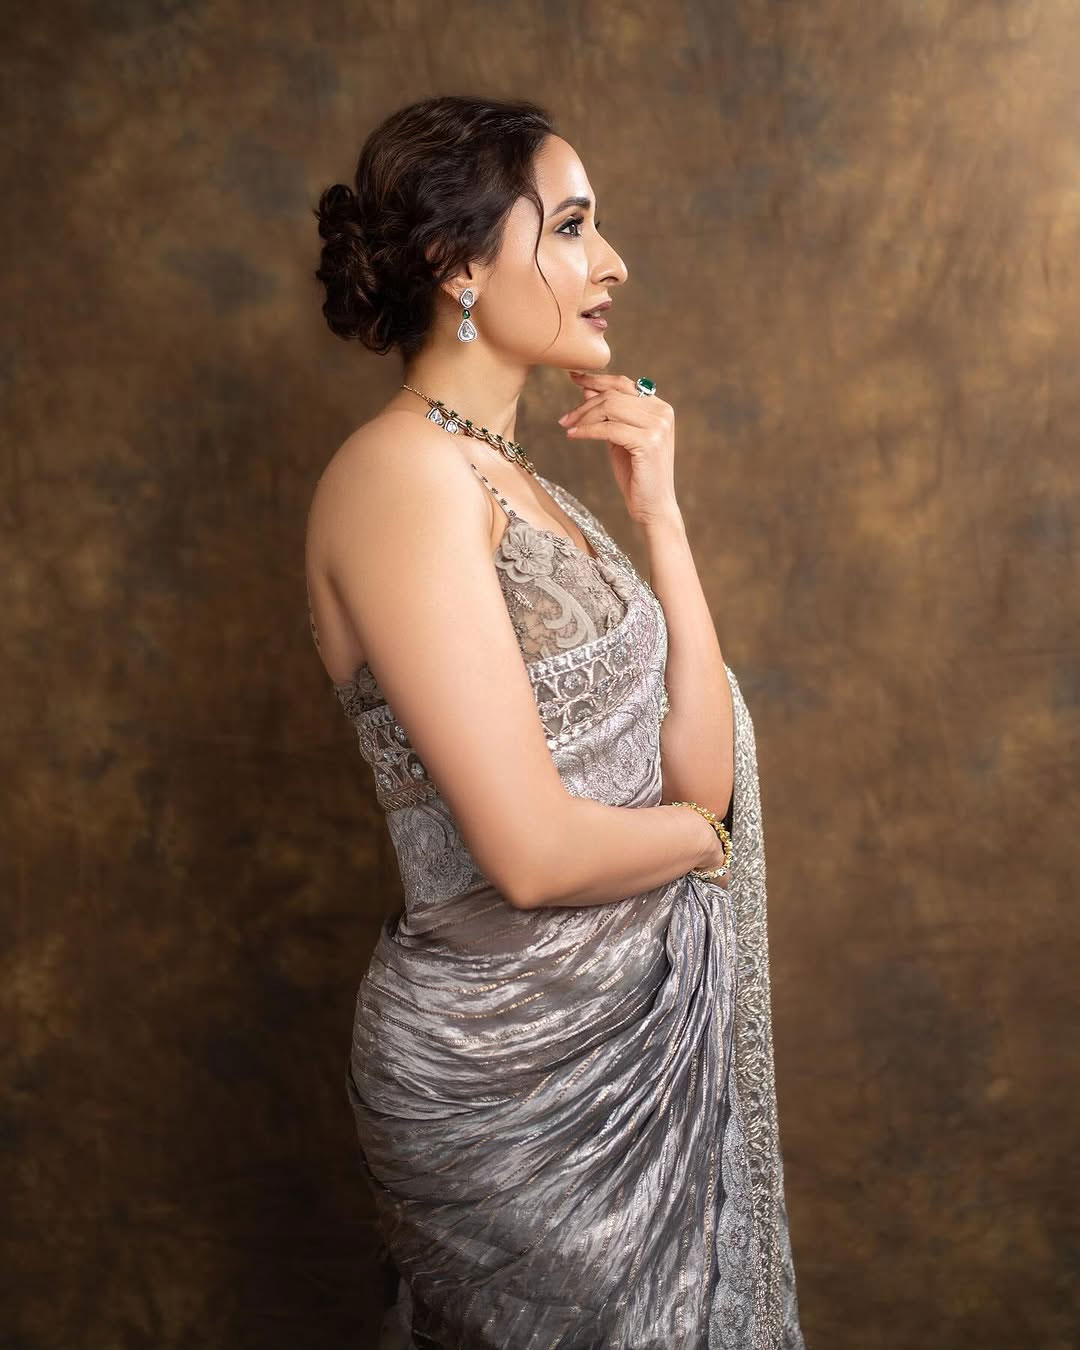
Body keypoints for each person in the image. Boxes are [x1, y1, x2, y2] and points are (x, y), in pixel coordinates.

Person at [305, 93, 806, 1350]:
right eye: (572, 226)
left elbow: (698, 770)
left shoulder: (530, 485)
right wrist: (702, 845)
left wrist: (660, 516)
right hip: (511, 1081)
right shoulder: (400, 477)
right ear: (458, 264)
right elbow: (531, 854)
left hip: (628, 1043)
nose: (613, 262)